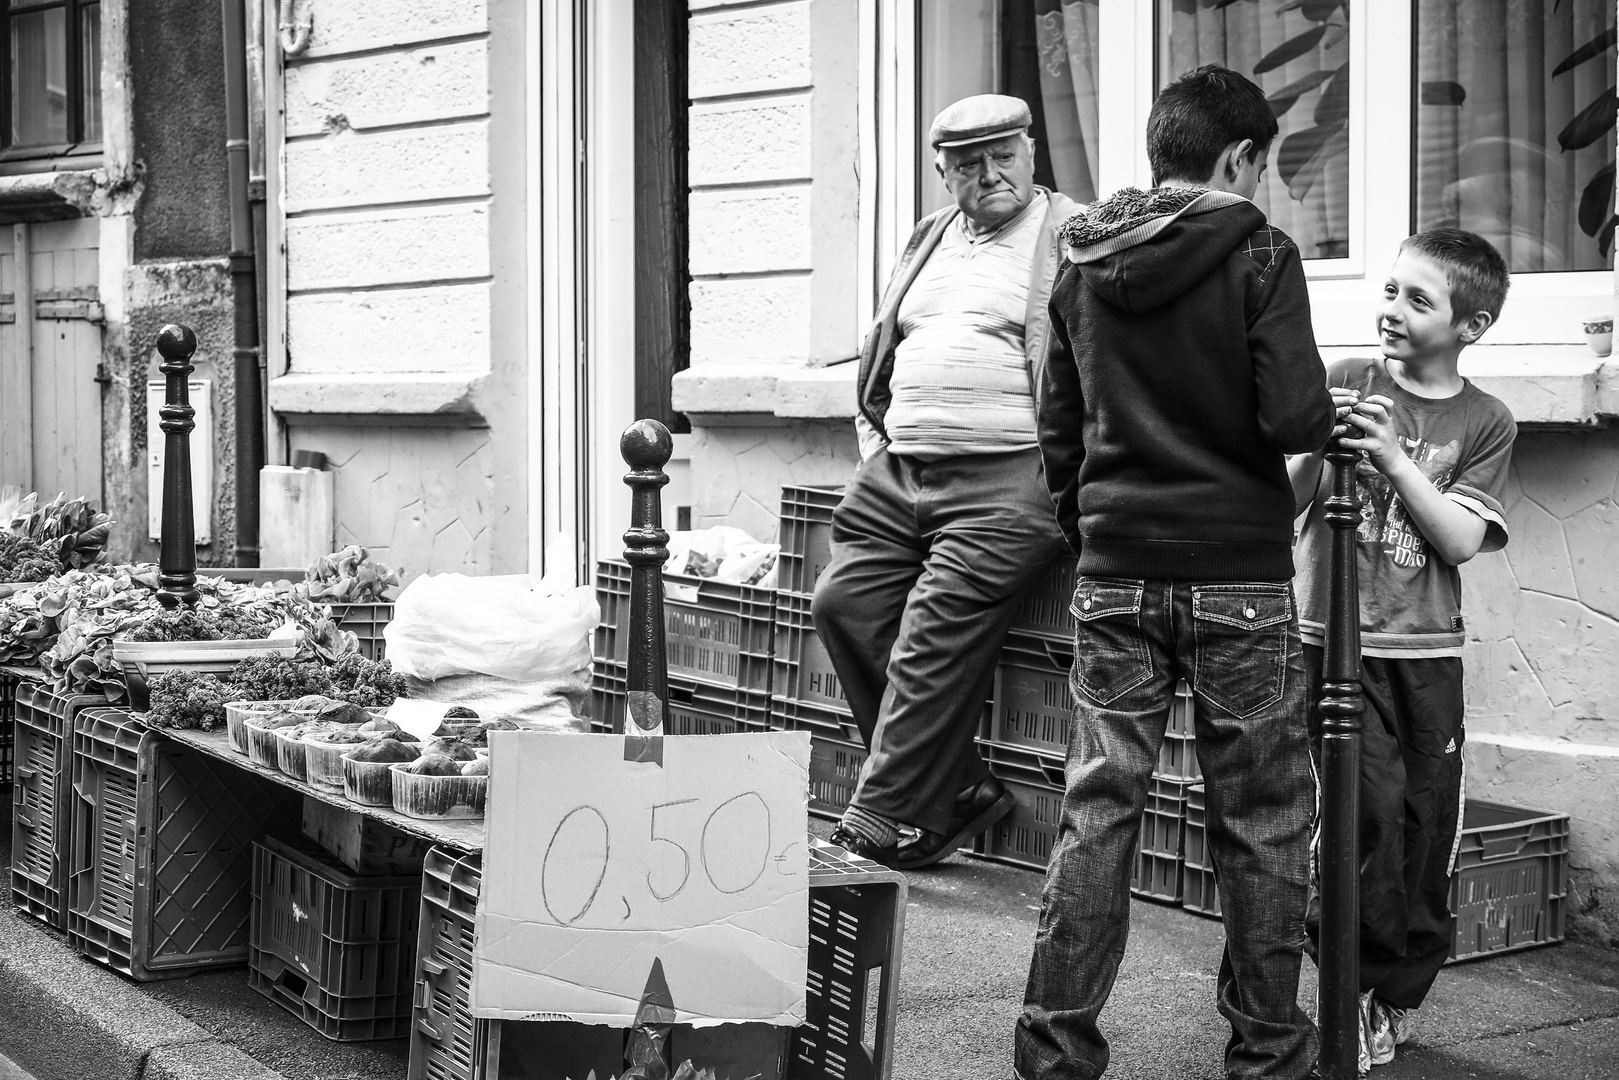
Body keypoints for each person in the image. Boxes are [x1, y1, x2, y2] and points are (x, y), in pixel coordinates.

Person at [1016, 65, 1334, 1080]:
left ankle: (1053, 1050)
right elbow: (1293, 418)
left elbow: (1056, 432)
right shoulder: (1260, 253)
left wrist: (1092, 528)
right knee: (1261, 820)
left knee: (1097, 808)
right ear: (1240, 157)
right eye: (1264, 168)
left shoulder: (1078, 264)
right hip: (1236, 572)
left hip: (1114, 569)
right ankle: (1267, 1051)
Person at [815, 94, 1078, 870]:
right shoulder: (929, 237)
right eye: (968, 164)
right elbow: (884, 346)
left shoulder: (1070, 236)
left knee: (931, 632)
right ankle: (958, 790)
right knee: (843, 606)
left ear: (1031, 152)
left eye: (1003, 155)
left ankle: (876, 816)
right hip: (900, 470)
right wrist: (877, 442)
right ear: (942, 173)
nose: (988, 174)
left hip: (1007, 478)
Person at [1289, 229, 1516, 1072]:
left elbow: (1459, 540)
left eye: (1417, 299)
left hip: (1423, 654)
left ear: (1471, 324)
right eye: (1389, 290)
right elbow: (1289, 500)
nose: (1391, 309)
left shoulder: (1486, 420)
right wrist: (1311, 433)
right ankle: (1342, 986)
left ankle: (1396, 994)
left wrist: (1389, 455)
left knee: (1424, 825)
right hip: (1331, 643)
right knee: (1360, 816)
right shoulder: (1345, 382)